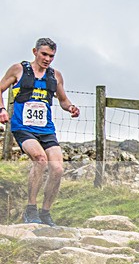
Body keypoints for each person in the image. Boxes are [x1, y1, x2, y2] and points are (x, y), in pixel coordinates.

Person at [0, 38, 80, 226]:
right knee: (40, 159)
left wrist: (71, 108)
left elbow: (63, 100)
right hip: (23, 127)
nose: (47, 59)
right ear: (35, 52)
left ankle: (45, 213)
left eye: (51, 56)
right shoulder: (18, 69)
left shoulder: (55, 76)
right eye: (44, 54)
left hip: (46, 129)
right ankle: (31, 210)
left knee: (58, 168)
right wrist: (2, 109)